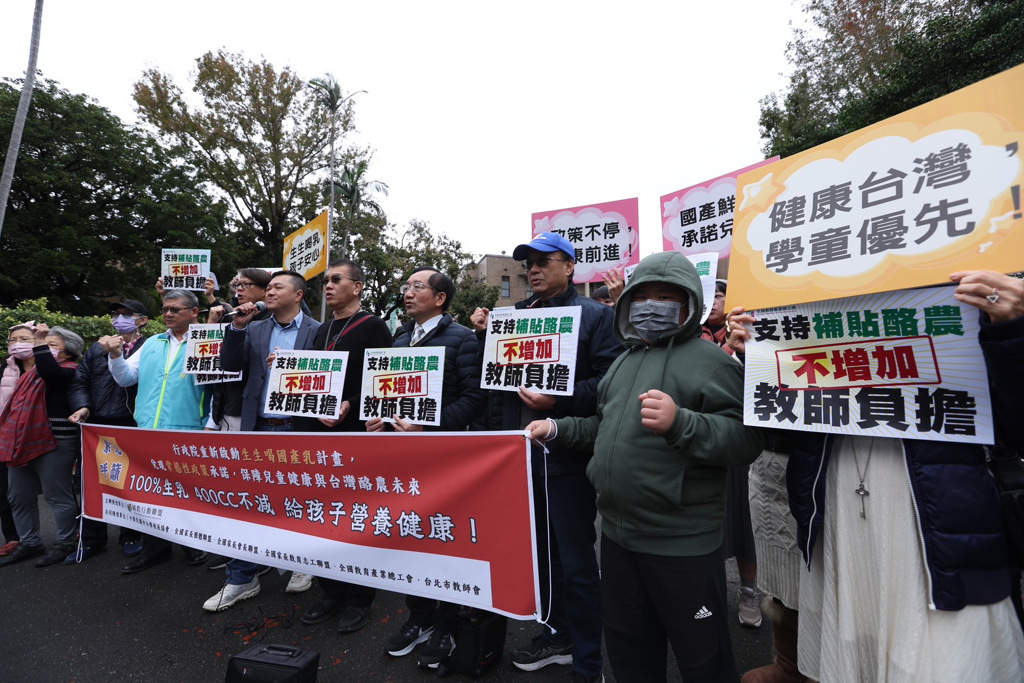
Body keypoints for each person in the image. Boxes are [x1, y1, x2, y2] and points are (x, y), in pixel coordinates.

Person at [727, 270, 1024, 682]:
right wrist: (762, 353)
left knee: (941, 654)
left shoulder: (970, 297)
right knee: (853, 644)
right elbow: (783, 420)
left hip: (939, 526)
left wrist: (1012, 331)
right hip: (839, 513)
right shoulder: (820, 305)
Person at [525, 250, 764, 682]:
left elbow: (745, 441)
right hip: (618, 540)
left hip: (683, 544)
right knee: (630, 653)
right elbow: (604, 426)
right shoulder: (624, 360)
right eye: (642, 296)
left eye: (666, 297)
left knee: (703, 661)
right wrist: (557, 428)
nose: (652, 305)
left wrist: (681, 423)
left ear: (689, 303)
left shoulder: (712, 363)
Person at [471, 232, 620, 683]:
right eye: (528, 264)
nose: (533, 270)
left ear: (570, 266)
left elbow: (609, 383)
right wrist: (484, 339)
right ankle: (557, 635)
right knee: (539, 558)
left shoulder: (596, 316)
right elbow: (494, 385)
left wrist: (558, 399)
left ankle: (588, 662)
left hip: (566, 459)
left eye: (544, 261)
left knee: (576, 562)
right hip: (517, 460)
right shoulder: (512, 317)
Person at [371, 266, 486, 670]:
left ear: (440, 298)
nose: (408, 292)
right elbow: (388, 396)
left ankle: (447, 624)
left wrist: (427, 424)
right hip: (404, 462)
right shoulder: (400, 339)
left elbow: (475, 400)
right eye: (406, 286)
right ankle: (418, 617)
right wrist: (379, 419)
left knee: (445, 540)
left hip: (445, 460)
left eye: (417, 286)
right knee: (411, 538)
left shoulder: (463, 339)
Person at [204, 270, 319, 611]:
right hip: (257, 428)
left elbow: (326, 377)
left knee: (299, 500)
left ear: (298, 294)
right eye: (267, 287)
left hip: (298, 429)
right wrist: (237, 328)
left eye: (277, 287)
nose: (269, 292)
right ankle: (241, 578)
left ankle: (302, 564)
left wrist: (293, 368)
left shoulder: (318, 330)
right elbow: (229, 365)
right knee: (248, 503)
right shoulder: (254, 328)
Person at [293, 259, 394, 633]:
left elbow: (385, 380)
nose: (328, 286)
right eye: (326, 281)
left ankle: (359, 598)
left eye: (337, 279)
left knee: (355, 516)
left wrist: (351, 402)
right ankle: (330, 591)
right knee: (322, 514)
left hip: (355, 436)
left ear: (358, 286)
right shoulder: (322, 330)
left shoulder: (374, 326)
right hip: (318, 436)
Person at [107, 289, 210, 574]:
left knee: (186, 492)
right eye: (165, 309)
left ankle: (193, 544)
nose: (168, 314)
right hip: (148, 429)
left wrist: (211, 423)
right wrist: (115, 356)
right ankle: (156, 549)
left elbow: (218, 387)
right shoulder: (153, 342)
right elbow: (126, 378)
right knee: (151, 493)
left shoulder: (207, 342)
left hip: (188, 429)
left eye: (175, 309)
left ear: (194, 312)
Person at [66, 300, 150, 562]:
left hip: (131, 424)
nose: (119, 319)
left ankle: (131, 535)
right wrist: (83, 407)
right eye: (116, 314)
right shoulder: (97, 348)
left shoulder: (151, 347)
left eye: (127, 314)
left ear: (142, 320)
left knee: (131, 482)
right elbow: (79, 381)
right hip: (96, 425)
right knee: (92, 482)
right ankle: (92, 540)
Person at [0, 323, 85, 568]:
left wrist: (39, 343)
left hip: (57, 441)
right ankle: (30, 542)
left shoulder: (70, 371)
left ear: (67, 352)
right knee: (18, 495)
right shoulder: (30, 375)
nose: (42, 349)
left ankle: (66, 542)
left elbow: (50, 372)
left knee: (56, 495)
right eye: (42, 345)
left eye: (51, 345)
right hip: (21, 441)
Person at [702, 279, 761, 629]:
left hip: (740, 441)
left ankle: (749, 591)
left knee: (743, 522)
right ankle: (707, 595)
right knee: (705, 523)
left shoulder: (750, 330)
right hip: (701, 441)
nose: (712, 300)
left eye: (719, 294)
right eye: (706, 294)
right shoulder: (689, 335)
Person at [0, 322, 33, 558]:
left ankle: (70, 532)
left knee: (54, 489)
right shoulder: (5, 367)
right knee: (5, 491)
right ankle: (13, 537)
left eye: (23, 339)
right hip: (6, 436)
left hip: (39, 434)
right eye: (12, 340)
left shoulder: (50, 365)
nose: (17, 344)